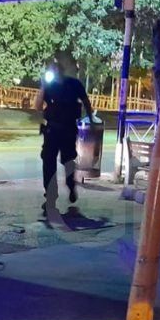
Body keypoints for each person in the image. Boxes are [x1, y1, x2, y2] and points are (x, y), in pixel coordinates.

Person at [36, 62, 94, 212]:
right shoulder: (49, 86)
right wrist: (43, 87)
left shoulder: (73, 84)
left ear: (61, 70)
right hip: (52, 129)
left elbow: (86, 101)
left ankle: (71, 185)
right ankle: (51, 196)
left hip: (67, 128)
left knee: (68, 160)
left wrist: (91, 120)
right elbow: (38, 106)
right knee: (49, 162)